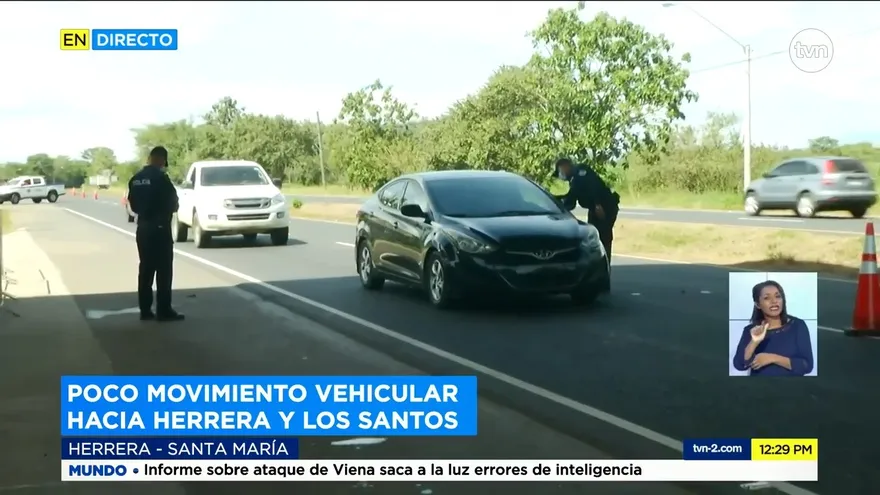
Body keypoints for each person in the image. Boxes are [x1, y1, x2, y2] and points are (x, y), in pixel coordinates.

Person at [127, 146, 185, 322]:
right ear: (161, 160)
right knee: (163, 270)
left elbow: (133, 205)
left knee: (145, 268)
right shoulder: (161, 178)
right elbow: (173, 203)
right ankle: (163, 309)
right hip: (160, 227)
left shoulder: (135, 179)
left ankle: (145, 309)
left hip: (143, 227)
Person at [732, 280, 814, 376]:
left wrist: (772, 358)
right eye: (767, 298)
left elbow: (807, 366)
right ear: (758, 304)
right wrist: (754, 342)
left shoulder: (798, 325)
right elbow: (740, 365)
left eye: (777, 296)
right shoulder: (751, 330)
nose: (774, 301)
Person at [554, 158, 620, 260]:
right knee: (592, 236)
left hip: (605, 207)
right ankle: (596, 262)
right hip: (594, 209)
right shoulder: (574, 179)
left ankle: (604, 263)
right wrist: (553, 200)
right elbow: (571, 200)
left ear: (565, 166)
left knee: (604, 235)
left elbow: (593, 185)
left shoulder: (581, 172)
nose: (561, 174)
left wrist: (598, 204)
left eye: (560, 171)